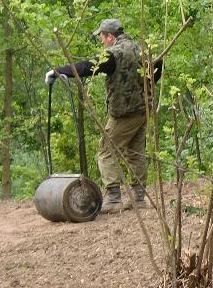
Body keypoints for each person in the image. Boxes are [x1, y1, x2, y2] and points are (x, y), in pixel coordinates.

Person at [45, 18, 159, 212]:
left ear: (110, 36)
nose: (101, 41)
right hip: (144, 110)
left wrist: (58, 71)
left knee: (107, 152)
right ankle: (139, 199)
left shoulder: (114, 54)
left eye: (102, 37)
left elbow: (89, 66)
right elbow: (158, 66)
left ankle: (114, 200)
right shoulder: (143, 50)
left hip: (124, 113)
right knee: (135, 151)